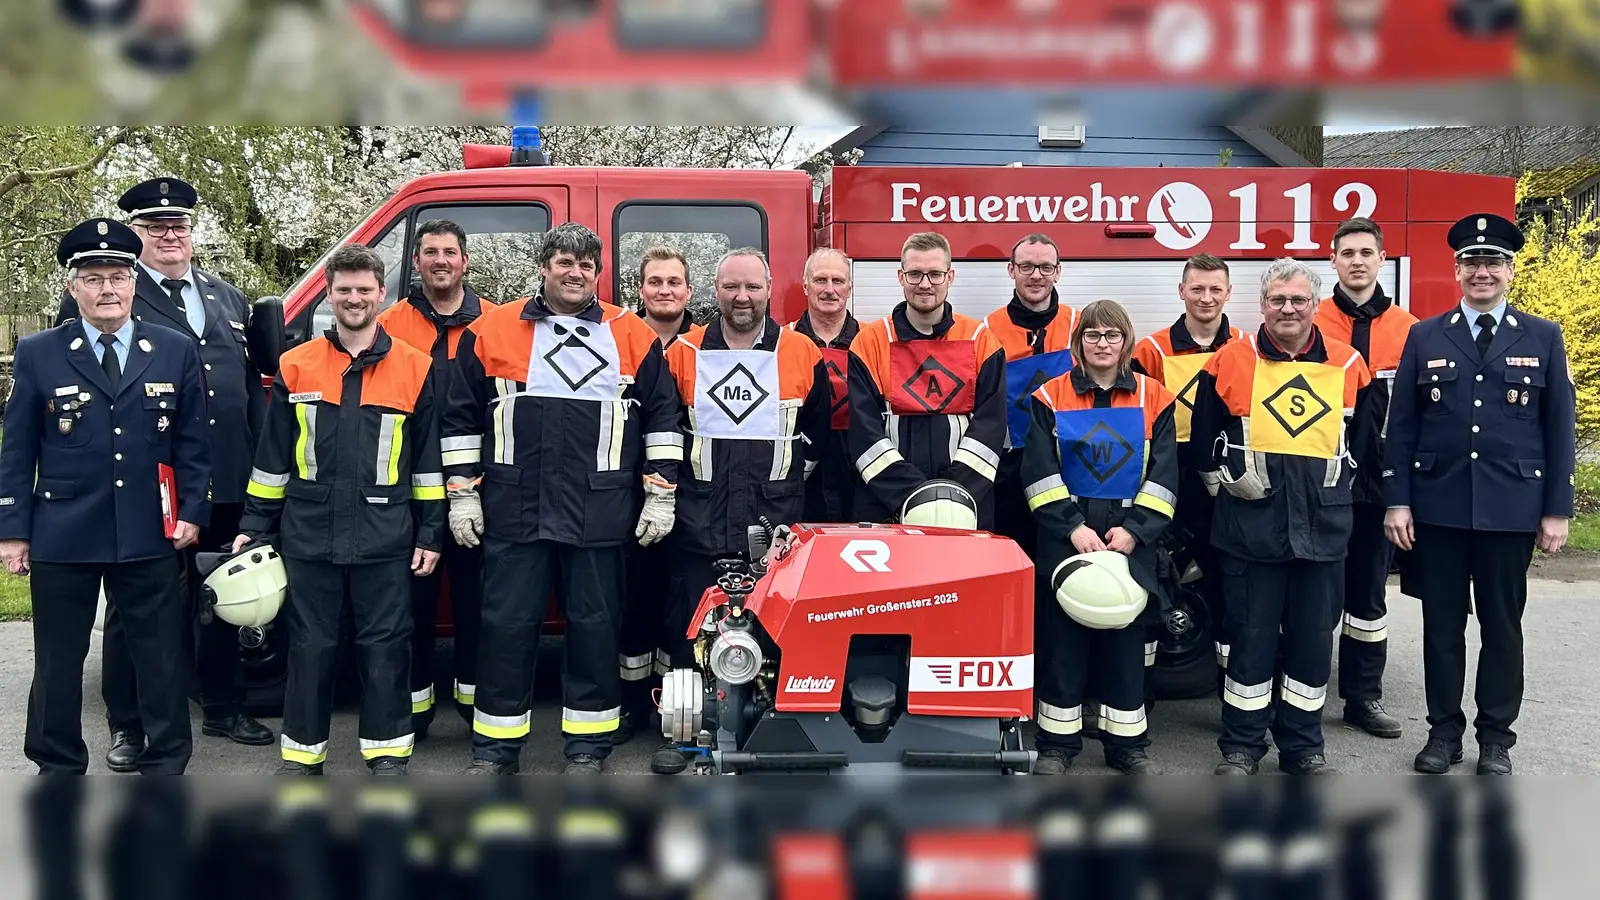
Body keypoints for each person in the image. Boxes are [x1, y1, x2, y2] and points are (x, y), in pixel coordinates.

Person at [441, 223, 682, 775]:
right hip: (514, 507)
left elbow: (664, 422)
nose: (575, 273)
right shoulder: (492, 330)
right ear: (544, 267)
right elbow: (459, 420)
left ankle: (588, 748)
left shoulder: (632, 335)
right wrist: (461, 494)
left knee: (596, 628)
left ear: (598, 273)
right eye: (564, 262)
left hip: (600, 511)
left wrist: (660, 494)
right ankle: (495, 751)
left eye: (586, 265)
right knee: (505, 627)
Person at [54, 176, 273, 770]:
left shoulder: (226, 297)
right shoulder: (112, 294)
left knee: (230, 593)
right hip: (145, 483)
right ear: (137, 237)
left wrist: (257, 465)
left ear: (192, 233)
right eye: (155, 228)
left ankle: (225, 705)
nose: (169, 235)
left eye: (178, 226)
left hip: (224, 476)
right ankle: (129, 724)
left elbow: (248, 389)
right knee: (135, 608)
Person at [0, 218, 211, 774]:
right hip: (63, 530)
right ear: (74, 288)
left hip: (149, 527)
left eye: (118, 276)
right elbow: (18, 450)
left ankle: (166, 762)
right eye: (93, 279)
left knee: (160, 658)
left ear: (135, 282)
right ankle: (57, 764)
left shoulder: (173, 348)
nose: (108, 289)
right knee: (58, 662)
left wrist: (192, 510)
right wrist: (13, 531)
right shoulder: (40, 352)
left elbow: (193, 440)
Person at [235, 243, 445, 775]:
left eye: (364, 289)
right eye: (344, 289)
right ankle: (303, 756)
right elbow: (271, 460)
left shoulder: (416, 367)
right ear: (329, 295)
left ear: (382, 294)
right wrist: (254, 526)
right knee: (310, 646)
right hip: (310, 533)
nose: (354, 298)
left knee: (385, 646)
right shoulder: (296, 364)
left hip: (386, 534)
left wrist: (431, 533)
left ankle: (388, 753)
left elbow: (426, 463)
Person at [1383, 212, 1576, 776]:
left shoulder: (1542, 336)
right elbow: (1403, 427)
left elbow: (1558, 426)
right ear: (1457, 269)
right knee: (1441, 627)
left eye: (1493, 263)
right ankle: (1443, 734)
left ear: (1510, 271)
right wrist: (1398, 500)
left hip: (1511, 506)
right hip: (1438, 507)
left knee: (1502, 626)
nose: (1482, 272)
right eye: (1472, 262)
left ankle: (1497, 739)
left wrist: (1556, 510)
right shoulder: (1426, 334)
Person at [1191, 258, 1372, 775]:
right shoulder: (1229, 360)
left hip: (1323, 530)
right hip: (1252, 528)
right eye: (1277, 300)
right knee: (1250, 641)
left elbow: (1365, 450)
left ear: (1315, 305)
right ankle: (1242, 747)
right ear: (1261, 304)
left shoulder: (1347, 363)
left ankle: (1303, 747)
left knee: (1314, 645)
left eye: (1297, 300)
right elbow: (1203, 446)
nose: (1287, 308)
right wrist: (1225, 483)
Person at [656, 247, 832, 773]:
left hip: (772, 520)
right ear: (716, 290)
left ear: (770, 288)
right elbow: (667, 432)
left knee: (772, 629)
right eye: (731, 287)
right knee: (688, 627)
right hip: (699, 519)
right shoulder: (683, 351)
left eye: (753, 287)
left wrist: (785, 485)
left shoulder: (801, 352)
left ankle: (763, 723)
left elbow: (816, 436)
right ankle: (682, 724)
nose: (742, 297)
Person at [1022, 300, 1178, 775]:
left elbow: (1165, 476)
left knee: (1125, 646)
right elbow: (1038, 474)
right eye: (1093, 335)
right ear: (1079, 342)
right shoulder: (1049, 396)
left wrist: (1135, 533)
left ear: (1126, 341)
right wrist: (1072, 527)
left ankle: (1127, 747)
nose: (1102, 344)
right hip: (1067, 539)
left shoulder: (1156, 398)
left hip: (1129, 542)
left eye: (1112, 335)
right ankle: (1056, 745)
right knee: (1062, 645)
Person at [374, 219, 496, 739]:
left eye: (450, 251)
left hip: (481, 490)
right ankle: (414, 709)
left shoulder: (496, 323)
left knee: (479, 606)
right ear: (417, 262)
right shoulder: (390, 325)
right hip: (410, 493)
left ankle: (475, 708)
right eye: (430, 252)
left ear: (466, 261)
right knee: (411, 606)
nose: (441, 260)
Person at [1313, 217, 1417, 741]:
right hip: (1323, 481)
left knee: (1368, 596)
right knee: (1315, 593)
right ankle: (1302, 693)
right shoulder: (1310, 321)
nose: (1357, 261)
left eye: (1366, 253)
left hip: (1379, 484)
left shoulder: (1410, 328)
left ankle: (1362, 697)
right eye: (1347, 252)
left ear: (1382, 260)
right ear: (1332, 260)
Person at [1130, 253, 1242, 690]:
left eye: (1216, 289)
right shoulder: (1151, 351)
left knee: (1225, 584)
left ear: (1229, 293)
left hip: (1225, 486)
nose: (1206, 297)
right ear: (1181, 292)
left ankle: (1231, 686)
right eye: (1197, 288)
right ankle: (1141, 689)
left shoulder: (1247, 348)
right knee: (1152, 580)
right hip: (1167, 479)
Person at [847, 232, 1007, 529]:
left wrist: (951, 497)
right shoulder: (870, 342)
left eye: (935, 274)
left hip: (966, 504)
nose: (924, 284)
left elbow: (991, 428)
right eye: (915, 274)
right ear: (901, 276)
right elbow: (863, 432)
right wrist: (915, 496)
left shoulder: (980, 340)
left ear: (950, 276)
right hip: (886, 503)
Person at [617, 245, 697, 745]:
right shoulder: (619, 339)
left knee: (679, 608)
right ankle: (629, 707)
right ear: (640, 289)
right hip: (626, 497)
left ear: (689, 291)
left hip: (692, 497)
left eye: (674, 282)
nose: (664, 290)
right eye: (655, 282)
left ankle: (674, 704)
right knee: (632, 604)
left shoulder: (708, 345)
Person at [982, 234, 1078, 563]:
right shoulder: (987, 329)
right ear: (1011, 270)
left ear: (1058, 271)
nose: (1036, 275)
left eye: (1045, 267)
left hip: (1071, 467)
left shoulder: (1080, 326)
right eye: (1026, 266)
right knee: (1013, 559)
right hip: (1010, 472)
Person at [788, 247, 862, 523]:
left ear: (850, 288)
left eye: (838, 281)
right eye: (820, 280)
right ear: (805, 285)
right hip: (801, 472)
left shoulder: (871, 342)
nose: (829, 289)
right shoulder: (782, 342)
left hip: (858, 472)